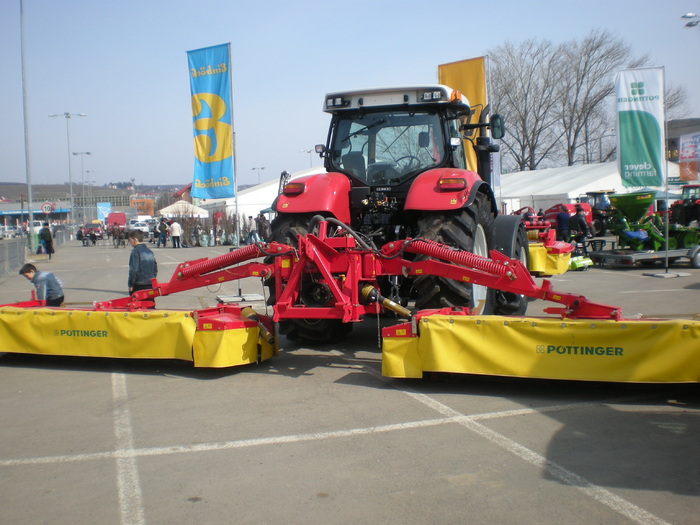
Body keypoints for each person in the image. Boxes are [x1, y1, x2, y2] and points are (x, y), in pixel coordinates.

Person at [127, 230, 158, 294]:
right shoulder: (149, 251)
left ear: (135, 239)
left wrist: (131, 284)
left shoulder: (135, 252)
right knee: (150, 302)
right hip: (150, 283)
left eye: (130, 240)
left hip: (139, 284)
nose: (130, 242)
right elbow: (155, 268)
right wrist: (153, 278)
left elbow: (134, 270)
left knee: (137, 302)